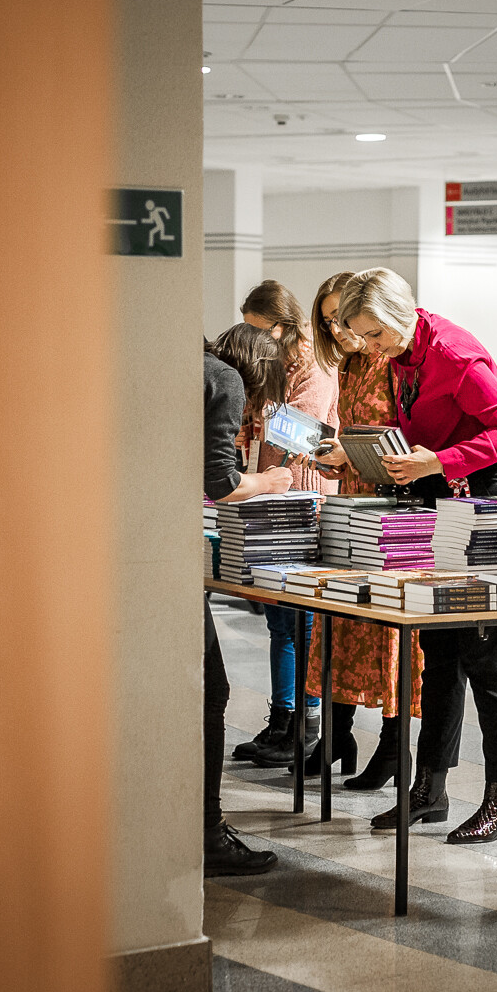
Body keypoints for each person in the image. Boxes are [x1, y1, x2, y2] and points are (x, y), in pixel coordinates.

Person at [319, 268, 497, 844]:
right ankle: (429, 790)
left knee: (488, 657)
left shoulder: (456, 356)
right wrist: (355, 454)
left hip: (489, 499)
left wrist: (438, 461)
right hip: (442, 496)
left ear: (402, 314)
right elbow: (411, 427)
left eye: (376, 334)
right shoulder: (403, 354)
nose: (371, 347)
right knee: (437, 651)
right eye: (362, 336)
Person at [296, 272, 423, 788]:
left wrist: (352, 455)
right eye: (329, 321)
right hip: (353, 501)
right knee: (341, 620)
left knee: (389, 628)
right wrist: (335, 454)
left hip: (391, 507)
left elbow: (405, 438)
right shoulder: (349, 365)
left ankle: (394, 748)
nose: (340, 331)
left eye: (343, 320)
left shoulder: (391, 359)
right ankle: (336, 735)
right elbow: (356, 435)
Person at [202, 324, 297, 876]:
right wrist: (269, 482)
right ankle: (206, 833)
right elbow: (221, 482)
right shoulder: (226, 380)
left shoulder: (193, 366)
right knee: (210, 690)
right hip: (157, 557)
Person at [233, 280, 340, 768]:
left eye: (261, 330)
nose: (256, 340)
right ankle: (282, 719)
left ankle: (304, 722)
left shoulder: (313, 364)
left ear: (282, 325)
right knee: (279, 618)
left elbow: (298, 432)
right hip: (271, 493)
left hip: (303, 497)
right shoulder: (272, 361)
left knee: (301, 620)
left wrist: (256, 473)